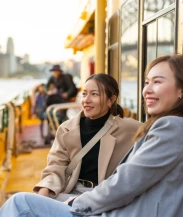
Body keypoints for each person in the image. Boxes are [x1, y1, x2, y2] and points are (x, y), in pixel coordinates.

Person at [0, 54, 183, 217]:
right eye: (146, 82)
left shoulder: (172, 128)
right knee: (38, 201)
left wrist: (74, 204)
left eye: (157, 82)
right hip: (117, 207)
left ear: (182, 89)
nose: (147, 90)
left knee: (20, 204)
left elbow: (124, 184)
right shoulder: (176, 127)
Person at [34, 73, 141, 202]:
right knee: (21, 201)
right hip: (71, 194)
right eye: (84, 94)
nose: (86, 100)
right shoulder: (66, 129)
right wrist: (44, 191)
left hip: (105, 198)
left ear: (110, 100)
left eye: (94, 94)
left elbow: (157, 134)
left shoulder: (129, 128)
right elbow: (56, 167)